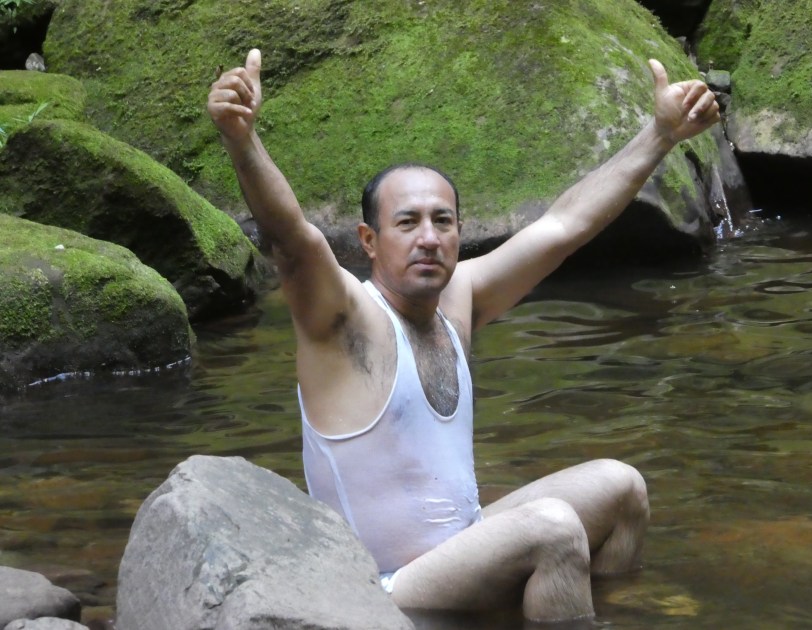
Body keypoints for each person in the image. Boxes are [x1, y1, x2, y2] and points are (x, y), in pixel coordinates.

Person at [208, 48, 720, 622]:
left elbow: (565, 225)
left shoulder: (459, 299)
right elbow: (292, 239)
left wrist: (661, 135)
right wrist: (241, 140)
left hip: (464, 550)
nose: (428, 237)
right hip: (378, 591)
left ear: (459, 233)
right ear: (369, 241)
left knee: (621, 488)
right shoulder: (344, 317)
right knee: (553, 530)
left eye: (442, 221)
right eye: (407, 222)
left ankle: (595, 613)